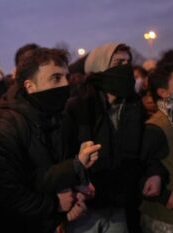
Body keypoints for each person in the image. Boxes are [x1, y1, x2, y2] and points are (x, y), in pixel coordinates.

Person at [0, 47, 101, 233]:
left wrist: (77, 187)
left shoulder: (59, 115)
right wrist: (54, 205)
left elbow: (55, 167)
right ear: (30, 86)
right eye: (55, 78)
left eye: (66, 77)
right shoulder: (3, 126)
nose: (65, 84)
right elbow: (8, 193)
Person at [65, 42, 165, 233]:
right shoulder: (77, 106)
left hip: (122, 203)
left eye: (128, 62)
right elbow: (65, 153)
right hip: (86, 205)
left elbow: (146, 149)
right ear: (99, 66)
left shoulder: (133, 106)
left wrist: (154, 173)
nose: (125, 67)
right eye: (118, 62)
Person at [140, 62, 173, 232]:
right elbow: (137, 168)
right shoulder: (156, 128)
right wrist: (162, 196)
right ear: (163, 92)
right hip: (170, 222)